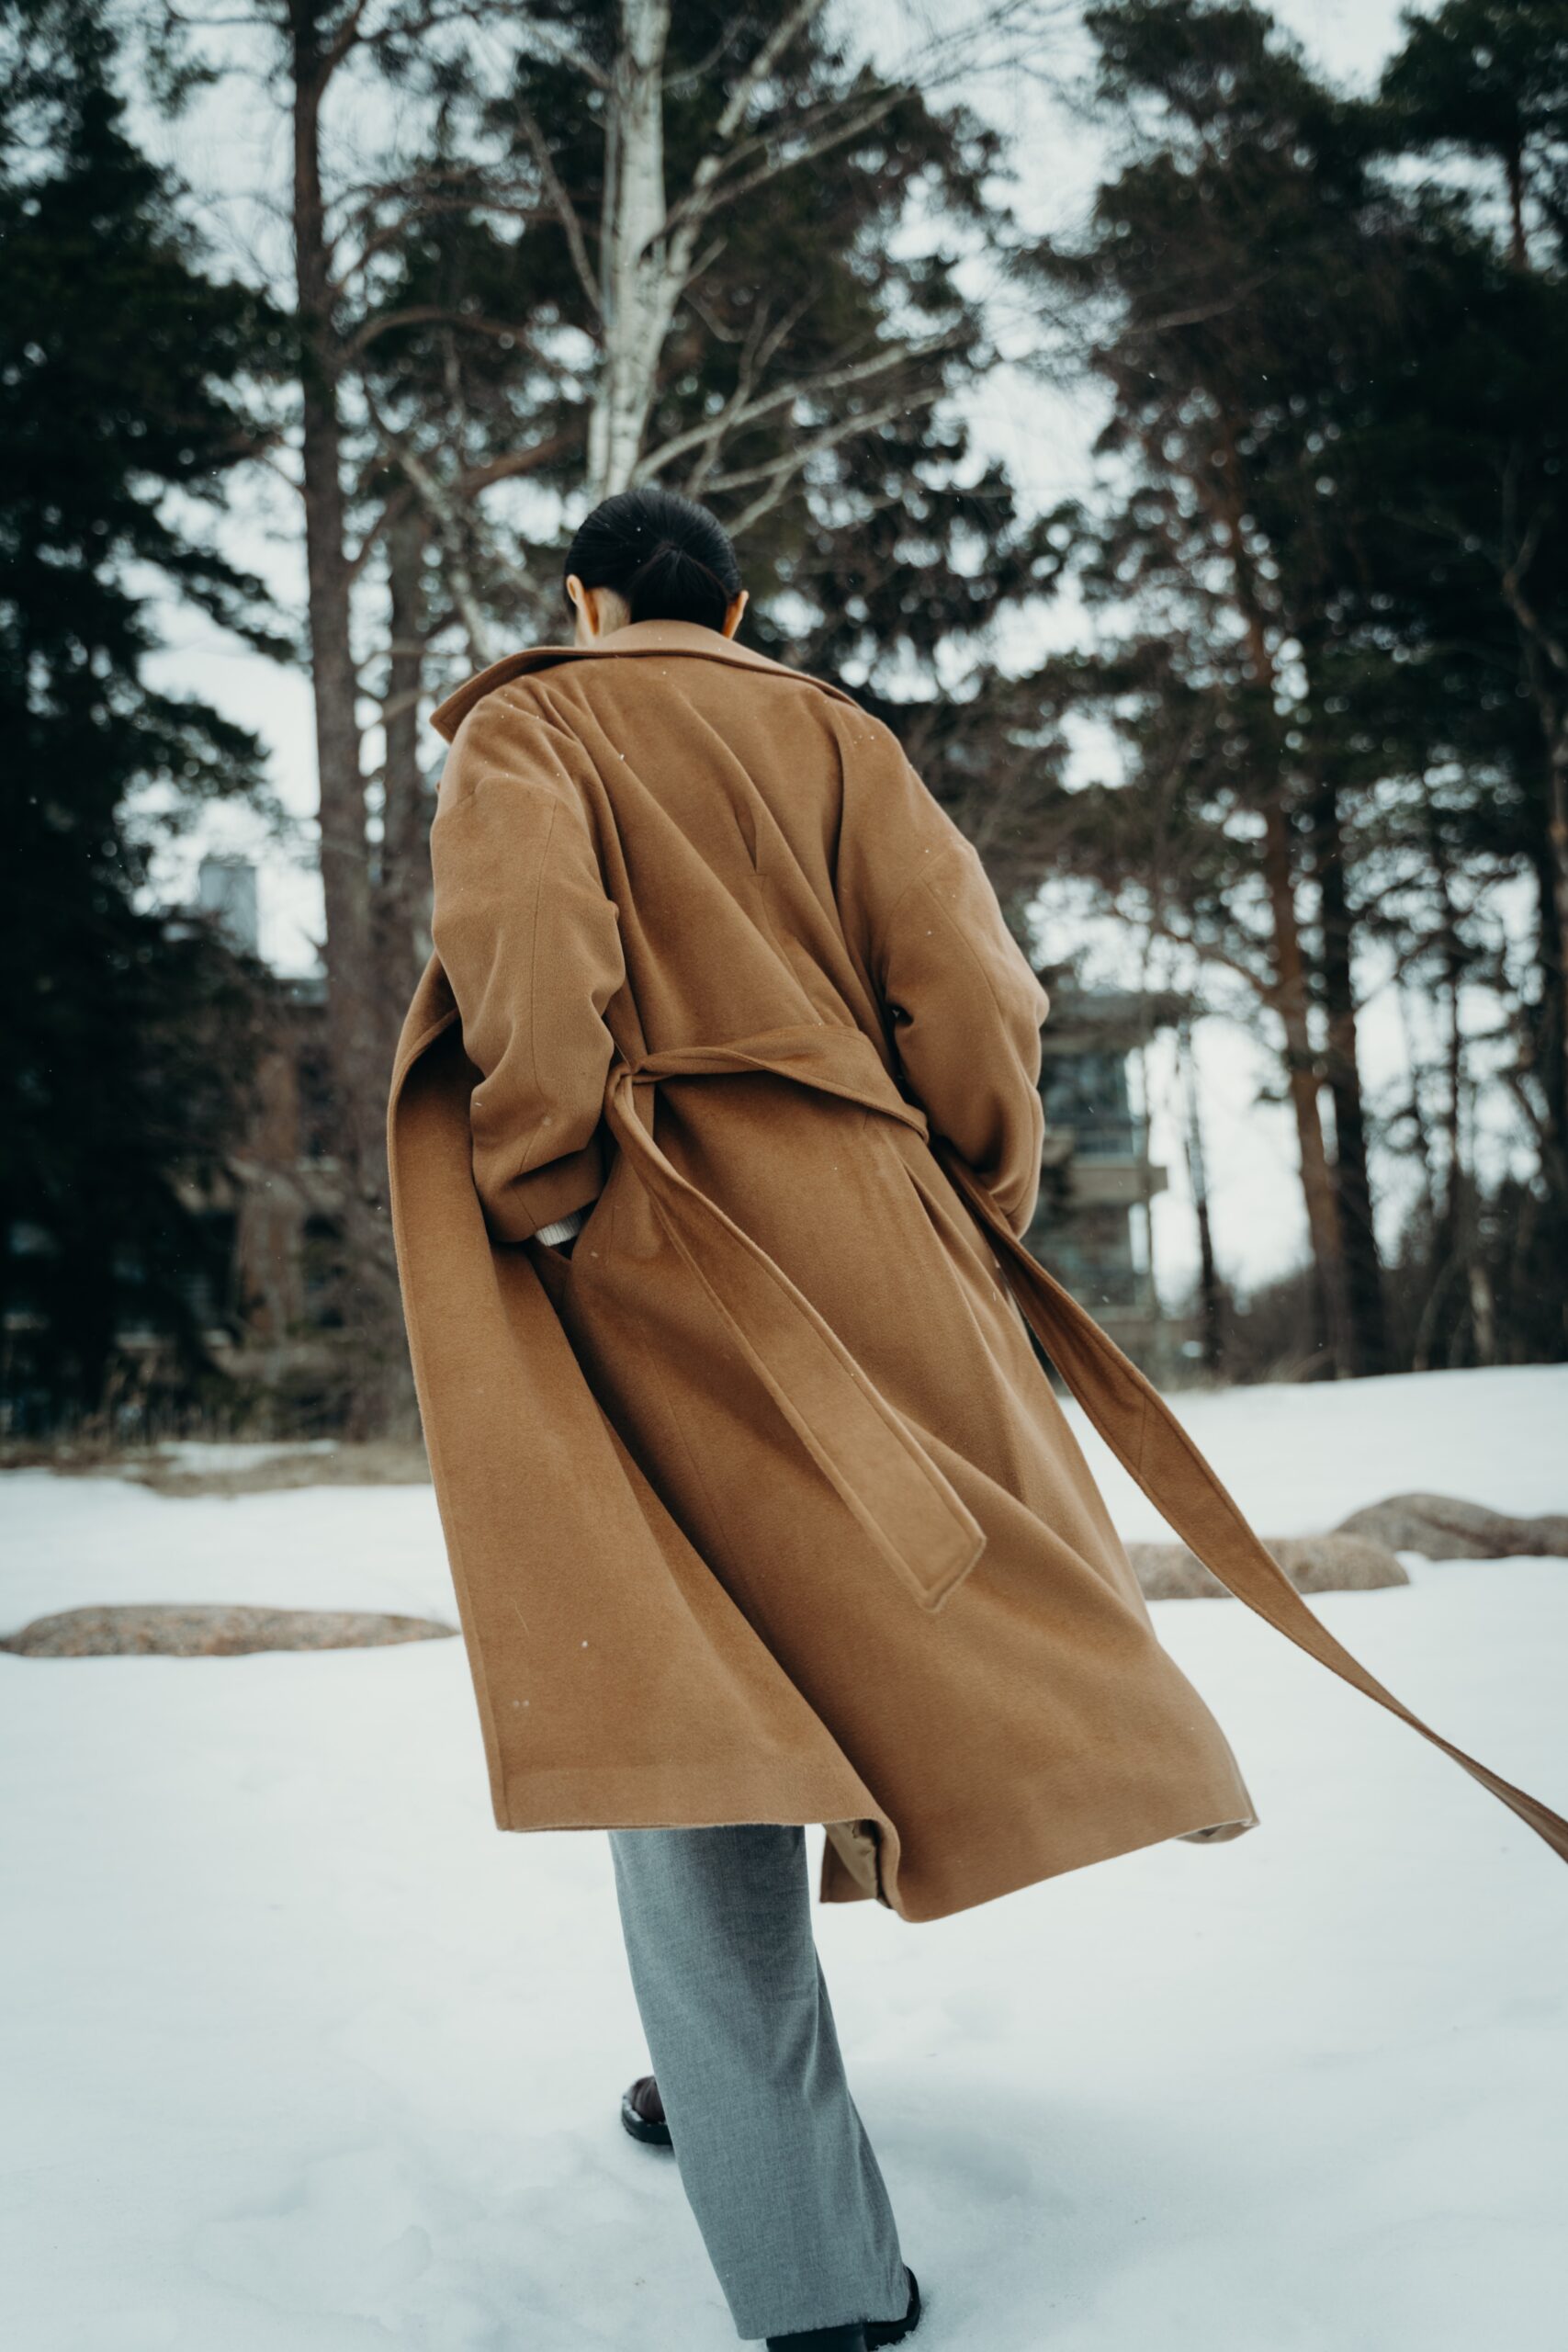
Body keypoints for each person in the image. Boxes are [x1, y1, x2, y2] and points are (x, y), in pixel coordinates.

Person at [387, 487, 1568, 2350]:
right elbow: (978, 992)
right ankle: (725, 2095)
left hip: (649, 1222)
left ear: (581, 595)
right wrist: (953, 1201)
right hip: (872, 1214)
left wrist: (539, 1177)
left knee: (682, 1687)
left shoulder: (533, 715)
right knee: (840, 1616)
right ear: (742, 599)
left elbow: (529, 948)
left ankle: (809, 2278)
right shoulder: (838, 730)